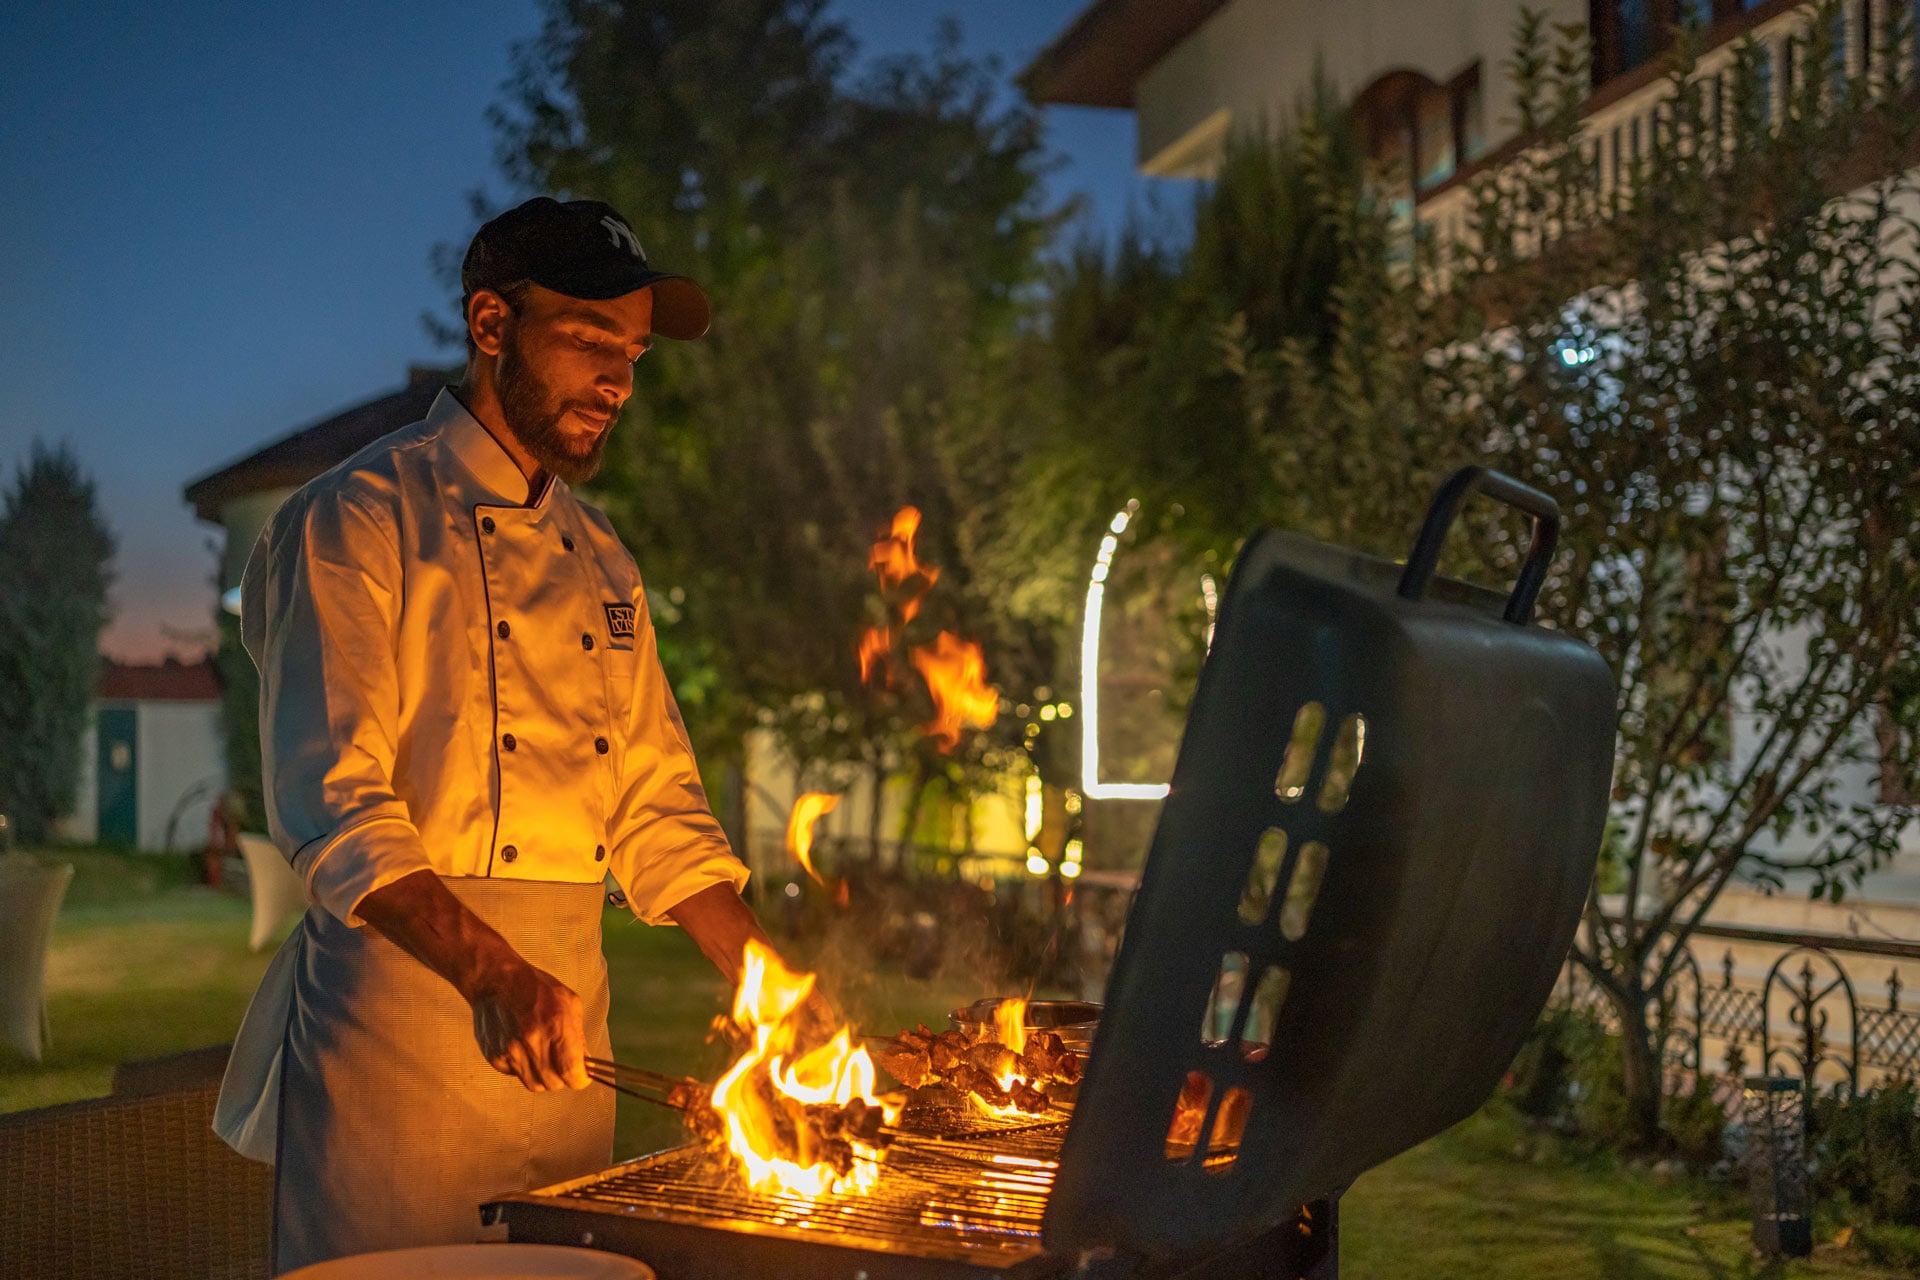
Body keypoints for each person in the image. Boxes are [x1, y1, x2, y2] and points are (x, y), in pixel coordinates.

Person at [214, 197, 804, 1274]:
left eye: (629, 354)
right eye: (588, 342)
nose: (618, 382)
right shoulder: (355, 517)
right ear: (491, 325)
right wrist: (492, 972)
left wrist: (776, 984)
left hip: (569, 1044)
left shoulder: (602, 554)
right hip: (400, 1041)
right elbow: (334, 805)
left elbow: (656, 812)